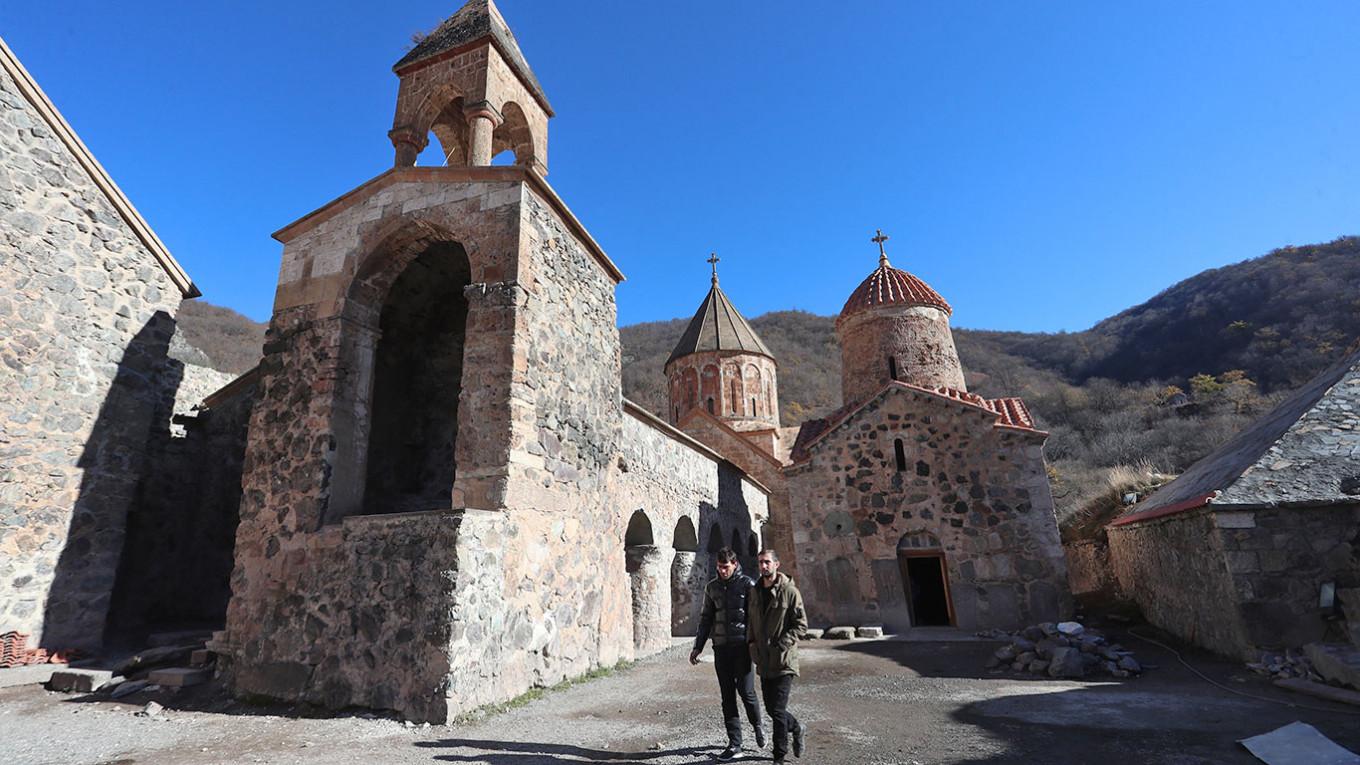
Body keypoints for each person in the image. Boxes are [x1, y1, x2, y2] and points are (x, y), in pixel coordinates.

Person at [689, 547, 765, 760]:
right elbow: (706, 618)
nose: (722, 571)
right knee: (727, 696)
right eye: (719, 567)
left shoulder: (748, 585)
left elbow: (757, 618)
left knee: (747, 692)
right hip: (721, 647)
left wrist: (759, 646)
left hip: (742, 647)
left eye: (726, 567)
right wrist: (698, 646)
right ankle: (735, 744)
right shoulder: (711, 588)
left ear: (734, 564)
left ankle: (757, 726)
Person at [747, 548, 807, 764]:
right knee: (773, 710)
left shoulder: (790, 592)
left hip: (783, 661)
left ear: (776, 565)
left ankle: (779, 756)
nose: (763, 566)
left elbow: (801, 625)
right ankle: (797, 727)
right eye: (761, 562)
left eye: (767, 562)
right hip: (763, 661)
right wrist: (751, 644)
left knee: (778, 710)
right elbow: (751, 622)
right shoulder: (754, 591)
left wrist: (783, 644)